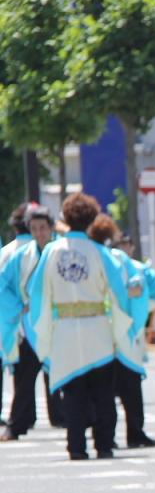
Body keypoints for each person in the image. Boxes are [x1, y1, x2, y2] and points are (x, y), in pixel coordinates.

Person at [29, 193, 132, 460]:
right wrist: (124, 325)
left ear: (65, 217)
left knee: (72, 392)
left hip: (64, 328)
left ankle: (76, 446)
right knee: (103, 392)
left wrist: (43, 329)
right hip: (97, 326)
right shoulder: (99, 251)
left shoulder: (51, 251)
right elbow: (119, 291)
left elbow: (37, 293)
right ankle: (105, 444)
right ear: (90, 219)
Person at [88, 214, 155, 449]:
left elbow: (150, 293)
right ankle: (126, 434)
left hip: (104, 329)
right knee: (122, 387)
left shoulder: (92, 256)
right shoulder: (115, 259)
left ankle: (111, 435)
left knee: (107, 387)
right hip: (118, 330)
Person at [0, 206, 64, 441]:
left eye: (43, 228)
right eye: (35, 228)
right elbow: (2, 284)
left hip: (60, 319)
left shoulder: (62, 251)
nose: (39, 233)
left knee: (66, 373)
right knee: (25, 377)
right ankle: (17, 423)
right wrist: (18, 307)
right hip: (30, 324)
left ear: (51, 228)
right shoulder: (21, 255)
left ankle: (70, 417)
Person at [0, 203, 32, 423]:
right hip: (36, 317)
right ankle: (22, 418)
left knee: (21, 370)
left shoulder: (7, 251)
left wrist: (15, 308)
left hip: (11, 319)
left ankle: (21, 417)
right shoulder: (41, 249)